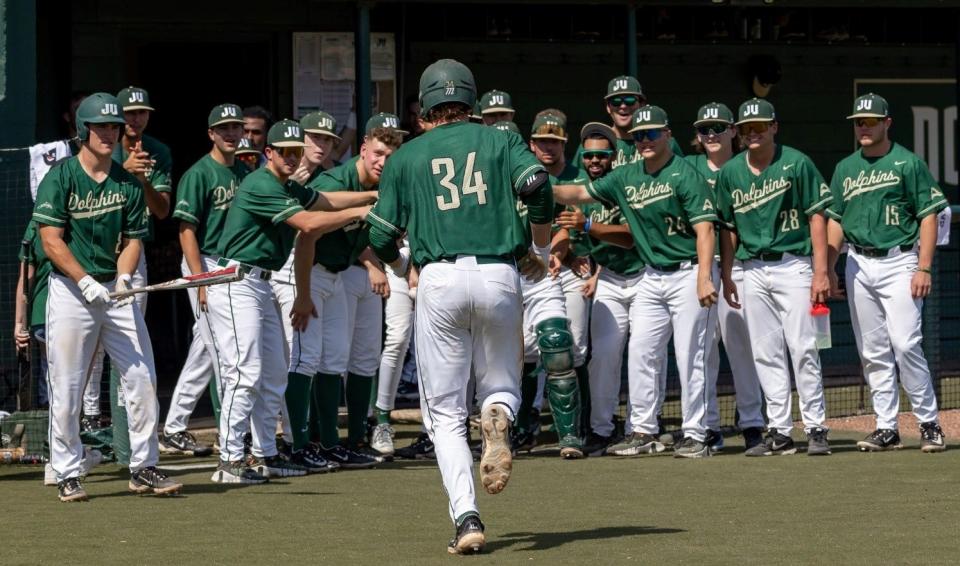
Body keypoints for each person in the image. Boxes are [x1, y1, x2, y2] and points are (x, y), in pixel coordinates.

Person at [367, 59, 554, 555]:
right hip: (498, 272)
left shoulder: (406, 155)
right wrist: (538, 248)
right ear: (471, 102)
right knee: (502, 385)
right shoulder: (501, 137)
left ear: (425, 108)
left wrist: (403, 261)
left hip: (439, 276)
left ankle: (467, 518)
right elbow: (538, 187)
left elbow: (379, 233)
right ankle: (496, 412)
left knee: (445, 415)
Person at [206, 119, 377, 484]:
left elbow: (326, 200)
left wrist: (371, 196)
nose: (290, 157)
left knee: (272, 374)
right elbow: (309, 223)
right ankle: (229, 458)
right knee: (245, 371)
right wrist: (359, 212)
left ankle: (266, 452)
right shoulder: (261, 183)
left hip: (260, 282)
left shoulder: (288, 184)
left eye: (295, 152)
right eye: (283, 151)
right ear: (269, 153)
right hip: (237, 280)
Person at [34, 92, 181, 501]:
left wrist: (122, 277)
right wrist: (83, 280)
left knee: (141, 377)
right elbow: (50, 240)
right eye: (100, 126)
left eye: (114, 126)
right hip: (70, 289)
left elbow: (134, 239)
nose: (109, 133)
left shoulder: (126, 182)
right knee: (68, 384)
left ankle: (143, 466)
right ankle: (65, 471)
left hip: (114, 291)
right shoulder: (61, 176)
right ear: (83, 130)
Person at [553, 106, 719, 459]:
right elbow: (578, 194)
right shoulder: (627, 176)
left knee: (691, 354)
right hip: (653, 274)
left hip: (688, 270)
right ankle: (642, 430)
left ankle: (698, 433)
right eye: (639, 135)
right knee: (642, 352)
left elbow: (705, 229)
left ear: (667, 136)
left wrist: (705, 276)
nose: (644, 140)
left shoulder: (683, 173)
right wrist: (535, 186)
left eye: (651, 134)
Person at [826, 93, 948, 453]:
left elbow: (929, 214)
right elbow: (835, 219)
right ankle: (886, 426)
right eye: (859, 122)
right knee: (872, 350)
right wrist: (829, 268)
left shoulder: (907, 163)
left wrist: (924, 266)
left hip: (900, 259)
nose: (864, 127)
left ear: (887, 123)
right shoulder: (846, 168)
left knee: (906, 343)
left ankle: (929, 423)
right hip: (858, 262)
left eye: (870, 121)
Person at [285, 113, 403, 470]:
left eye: (390, 156)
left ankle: (332, 443)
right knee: (303, 358)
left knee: (333, 358)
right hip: (306, 269)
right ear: (363, 148)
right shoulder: (337, 179)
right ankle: (300, 443)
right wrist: (302, 293)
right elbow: (306, 235)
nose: (383, 162)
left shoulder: (386, 185)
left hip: (336, 272)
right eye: (378, 153)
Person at [716, 98, 833, 457]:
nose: (753, 133)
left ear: (773, 128)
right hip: (751, 267)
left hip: (793, 264)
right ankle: (780, 431)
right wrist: (726, 272)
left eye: (759, 127)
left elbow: (817, 217)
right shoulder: (730, 172)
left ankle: (816, 428)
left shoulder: (797, 162)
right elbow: (728, 227)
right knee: (766, 352)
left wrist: (820, 271)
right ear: (738, 132)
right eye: (746, 128)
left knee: (803, 348)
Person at [161, 104, 250, 457]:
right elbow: (186, 229)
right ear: (211, 133)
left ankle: (174, 426)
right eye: (223, 128)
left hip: (232, 265)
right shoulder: (199, 173)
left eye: (235, 127)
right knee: (224, 353)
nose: (231, 133)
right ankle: (232, 435)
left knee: (205, 347)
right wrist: (199, 280)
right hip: (205, 262)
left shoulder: (244, 172)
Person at [555, 122, 642, 456]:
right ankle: (600, 430)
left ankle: (642, 428)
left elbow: (630, 235)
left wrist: (590, 226)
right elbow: (566, 232)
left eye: (601, 155)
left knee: (643, 356)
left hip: (645, 273)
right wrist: (563, 254)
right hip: (610, 279)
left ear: (613, 157)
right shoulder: (579, 191)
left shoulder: (627, 183)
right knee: (603, 356)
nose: (593, 160)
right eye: (588, 154)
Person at [684, 103, 765, 452]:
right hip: (697, 266)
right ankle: (709, 427)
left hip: (741, 266)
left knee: (741, 347)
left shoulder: (748, 166)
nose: (711, 134)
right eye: (704, 129)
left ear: (734, 131)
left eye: (719, 127)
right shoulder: (687, 168)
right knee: (701, 352)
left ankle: (752, 423)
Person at [510, 110, 586, 458]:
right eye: (542, 141)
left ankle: (570, 434)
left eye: (554, 142)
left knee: (560, 343)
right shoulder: (492, 179)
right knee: (514, 354)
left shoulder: (553, 178)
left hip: (547, 270)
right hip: (506, 271)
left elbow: (566, 223)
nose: (548, 148)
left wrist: (549, 251)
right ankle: (515, 428)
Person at [115, 86, 172, 314]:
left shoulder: (158, 151)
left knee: (133, 324)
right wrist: (123, 171)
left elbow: (162, 210)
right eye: (129, 112)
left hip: (134, 245)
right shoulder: (104, 146)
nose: (136, 119)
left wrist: (142, 181)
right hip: (98, 245)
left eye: (142, 112)